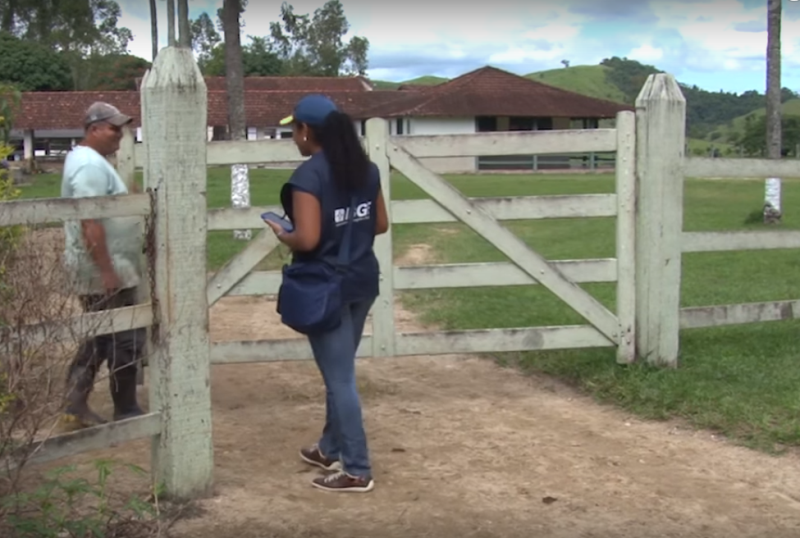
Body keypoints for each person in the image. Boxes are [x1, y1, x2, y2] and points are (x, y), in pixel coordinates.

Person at [264, 95, 389, 493]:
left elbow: (309, 238)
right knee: (342, 373)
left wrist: (284, 233)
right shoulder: (364, 169)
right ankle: (329, 446)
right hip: (361, 281)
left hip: (325, 286)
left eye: (293, 129)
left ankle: (356, 468)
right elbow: (381, 224)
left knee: (340, 380)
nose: (293, 137)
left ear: (307, 131)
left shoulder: (308, 177)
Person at [60, 102, 145, 430]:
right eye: (113, 128)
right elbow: (89, 220)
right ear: (94, 129)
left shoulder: (91, 162)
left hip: (110, 265)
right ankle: (124, 409)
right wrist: (106, 269)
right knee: (119, 339)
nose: (120, 135)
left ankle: (76, 404)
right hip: (103, 268)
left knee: (102, 337)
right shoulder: (89, 165)